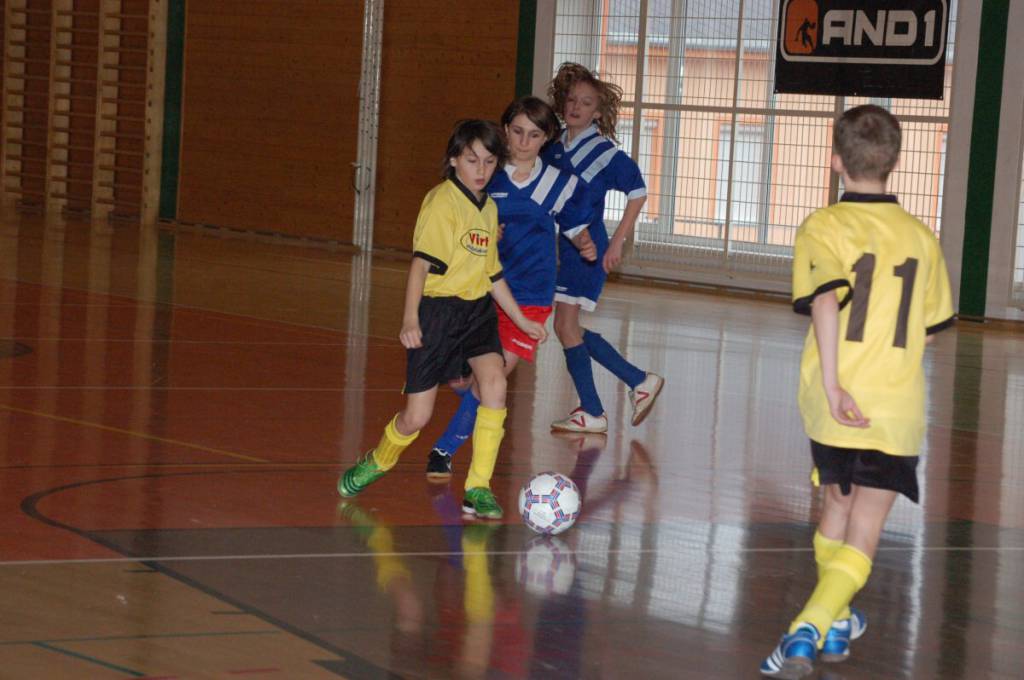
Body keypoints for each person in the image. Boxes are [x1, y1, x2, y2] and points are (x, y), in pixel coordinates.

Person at [760, 104, 954, 678]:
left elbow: (825, 299)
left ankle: (807, 627)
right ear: (894, 161)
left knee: (836, 509)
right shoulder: (922, 238)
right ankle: (834, 620)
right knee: (864, 528)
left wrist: (834, 383)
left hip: (833, 401)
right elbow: (930, 329)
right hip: (895, 406)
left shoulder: (823, 226)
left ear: (836, 161)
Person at [337, 119, 547, 520]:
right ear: (454, 160)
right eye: (472, 160)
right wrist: (409, 319)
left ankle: (478, 487)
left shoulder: (489, 208)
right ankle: (378, 460)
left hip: (477, 313)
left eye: (489, 161)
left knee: (495, 383)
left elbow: (492, 274)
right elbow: (420, 266)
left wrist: (520, 320)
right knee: (417, 417)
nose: (481, 169)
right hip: (438, 313)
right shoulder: (441, 203)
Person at [425, 97, 598, 479]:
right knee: (481, 380)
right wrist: (488, 233)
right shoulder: (487, 175)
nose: (523, 142)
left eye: (534, 135)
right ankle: (462, 384)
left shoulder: (558, 183)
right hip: (482, 290)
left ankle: (444, 449)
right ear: (505, 131)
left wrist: (584, 242)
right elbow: (462, 221)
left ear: (546, 137)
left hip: (531, 296)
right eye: (517, 132)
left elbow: (573, 225)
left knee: (493, 379)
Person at [543, 62, 664, 434]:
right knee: (568, 327)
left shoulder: (604, 152)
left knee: (565, 326)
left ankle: (595, 410)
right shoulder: (554, 148)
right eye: (572, 100)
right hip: (563, 248)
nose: (576, 107)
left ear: (598, 112)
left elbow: (638, 192)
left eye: (586, 102)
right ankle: (638, 382)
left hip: (587, 250)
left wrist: (617, 240)